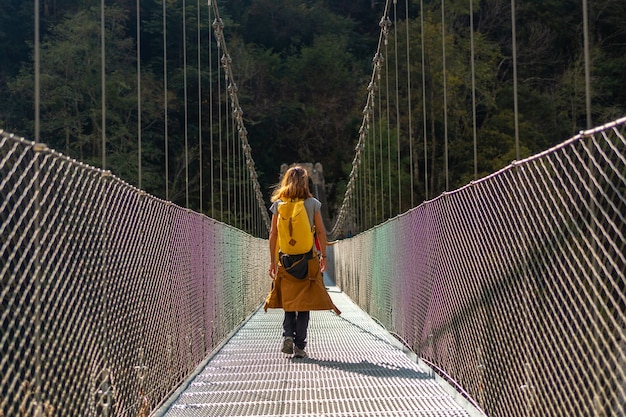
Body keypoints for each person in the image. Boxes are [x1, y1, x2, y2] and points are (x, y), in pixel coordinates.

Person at [265, 165, 340, 358]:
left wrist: (273, 261)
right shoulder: (313, 203)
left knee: (289, 303)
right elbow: (322, 232)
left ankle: (288, 335)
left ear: (285, 181)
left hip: (286, 260)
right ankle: (300, 347)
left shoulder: (278, 204)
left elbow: (273, 234)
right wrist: (323, 256)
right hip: (307, 261)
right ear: (305, 182)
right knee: (304, 304)